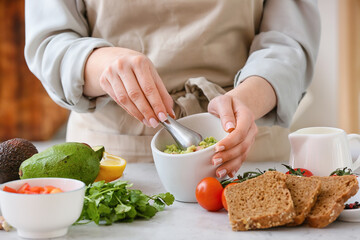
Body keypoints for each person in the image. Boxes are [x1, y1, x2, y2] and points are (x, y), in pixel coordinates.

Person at [24, 0, 320, 179]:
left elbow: (287, 40)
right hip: (111, 160)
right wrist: (102, 63)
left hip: (245, 148)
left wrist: (248, 99)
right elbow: (49, 41)